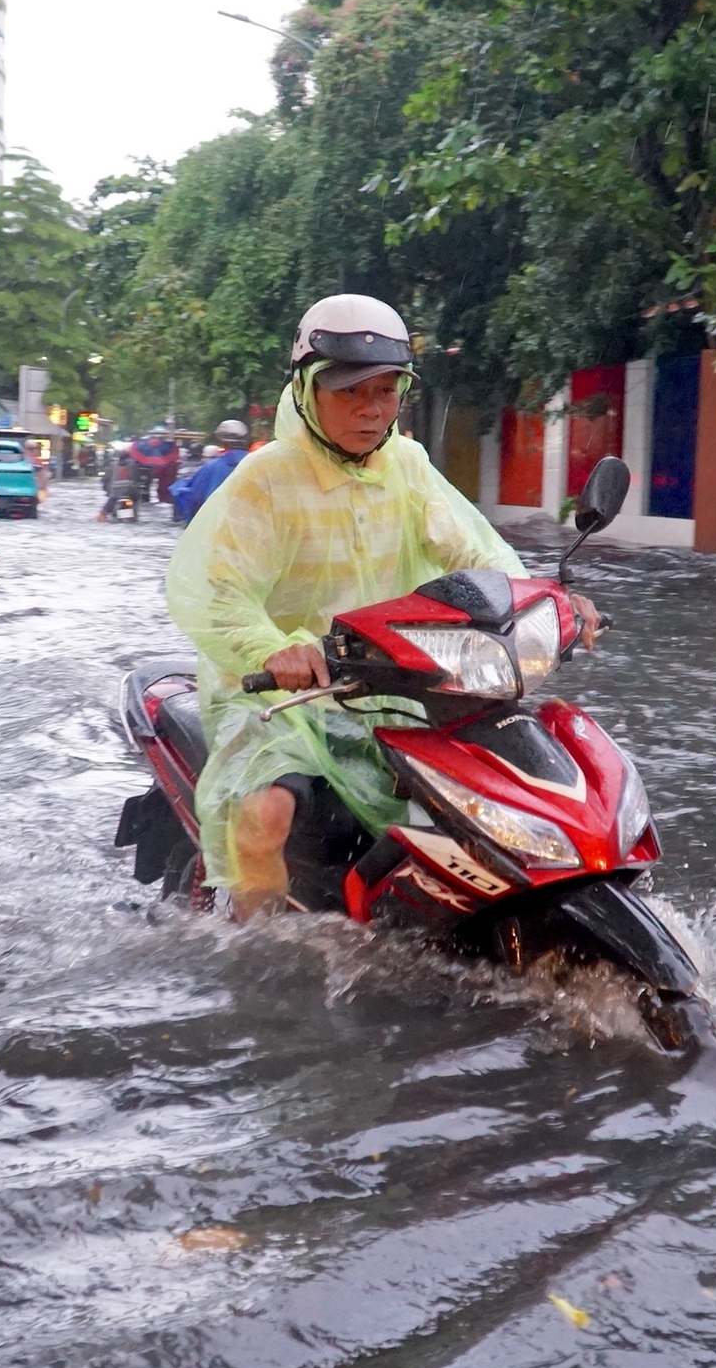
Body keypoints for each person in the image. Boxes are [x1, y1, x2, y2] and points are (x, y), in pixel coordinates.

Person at [164, 294, 600, 918]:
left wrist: (548, 602)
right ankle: (256, 948)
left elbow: (478, 553)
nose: (370, 410)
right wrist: (272, 649)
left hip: (397, 676)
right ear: (307, 390)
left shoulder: (409, 465)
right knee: (267, 811)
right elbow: (218, 590)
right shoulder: (265, 480)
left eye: (386, 391)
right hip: (280, 694)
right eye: (349, 392)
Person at [169, 418, 254, 523]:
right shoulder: (259, 464)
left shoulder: (212, 467)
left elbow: (194, 497)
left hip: (217, 526)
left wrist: (178, 490)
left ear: (221, 440)